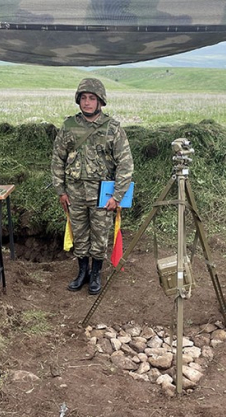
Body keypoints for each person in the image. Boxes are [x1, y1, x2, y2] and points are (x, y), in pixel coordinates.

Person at [51, 78, 134, 295]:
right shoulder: (69, 127)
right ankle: (82, 273)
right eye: (84, 98)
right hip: (75, 193)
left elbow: (125, 164)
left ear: (100, 101)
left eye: (92, 98)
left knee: (99, 235)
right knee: (79, 234)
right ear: (78, 100)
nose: (87, 103)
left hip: (102, 194)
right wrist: (60, 190)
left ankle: (96, 273)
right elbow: (57, 159)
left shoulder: (113, 128)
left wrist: (117, 196)